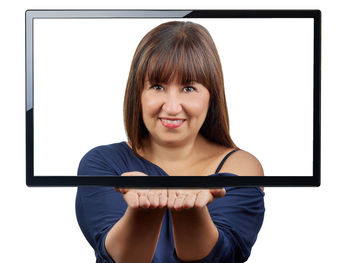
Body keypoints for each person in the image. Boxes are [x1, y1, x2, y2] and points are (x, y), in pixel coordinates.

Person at [76, 21, 265, 263]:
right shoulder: (102, 163)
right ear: (138, 94)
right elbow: (119, 258)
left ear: (212, 96)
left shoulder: (241, 167)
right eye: (157, 86)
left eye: (188, 88)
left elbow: (222, 257)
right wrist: (143, 210)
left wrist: (191, 211)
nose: (172, 107)